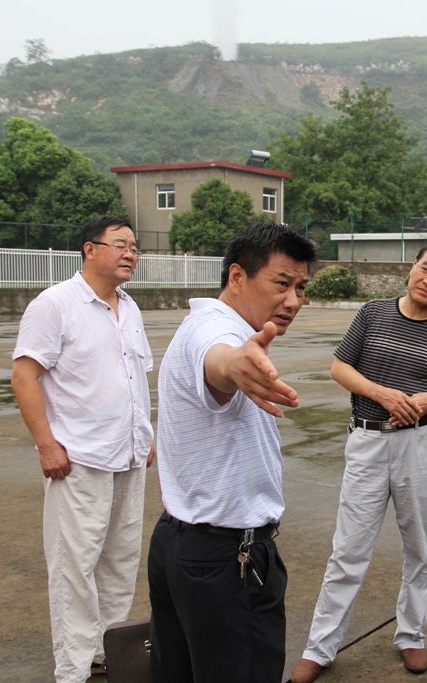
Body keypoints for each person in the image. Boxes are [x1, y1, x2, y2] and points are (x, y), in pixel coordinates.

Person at [290, 244, 427, 683]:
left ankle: (411, 635)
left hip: (420, 445)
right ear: (412, 269)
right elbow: (340, 368)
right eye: (425, 268)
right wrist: (382, 394)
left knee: (419, 546)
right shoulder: (373, 313)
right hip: (368, 440)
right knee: (348, 549)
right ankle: (320, 647)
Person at [147, 222, 317, 683]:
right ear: (237, 276)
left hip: (182, 542)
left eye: (301, 288)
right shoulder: (216, 331)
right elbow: (219, 360)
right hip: (224, 559)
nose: (293, 300)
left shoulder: (205, 322)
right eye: (282, 283)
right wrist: (234, 366)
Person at [11, 215, 155, 683]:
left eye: (134, 246)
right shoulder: (55, 304)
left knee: (120, 561)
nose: (130, 253)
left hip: (128, 456)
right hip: (78, 459)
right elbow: (24, 376)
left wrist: (145, 435)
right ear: (89, 250)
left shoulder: (129, 308)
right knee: (74, 567)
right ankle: (71, 670)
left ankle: (104, 652)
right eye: (120, 244)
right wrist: (46, 444)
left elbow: (134, 380)